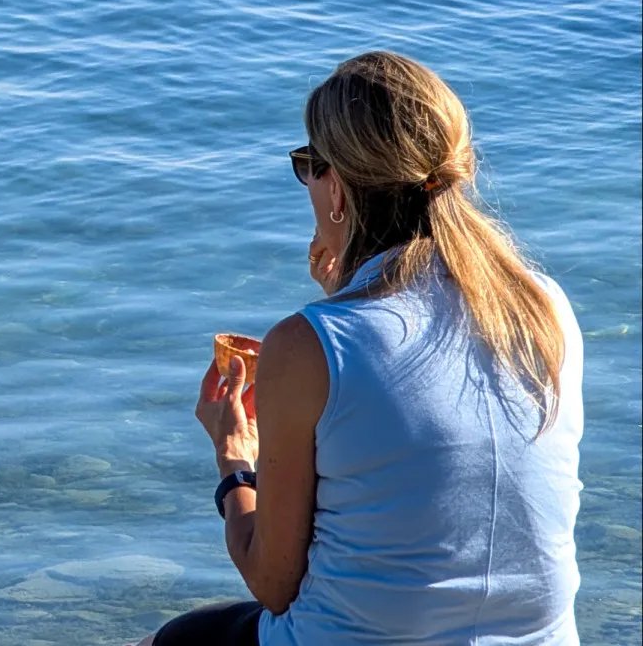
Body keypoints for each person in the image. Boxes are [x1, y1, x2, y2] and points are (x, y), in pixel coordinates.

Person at [144, 51, 583, 645]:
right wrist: (347, 291)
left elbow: (273, 582)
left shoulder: (307, 347)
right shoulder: (542, 307)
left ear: (339, 189)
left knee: (173, 640)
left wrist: (233, 459)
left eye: (308, 165)